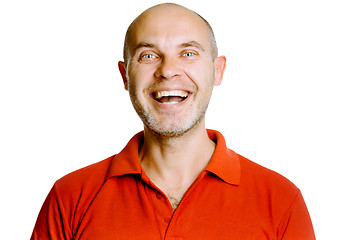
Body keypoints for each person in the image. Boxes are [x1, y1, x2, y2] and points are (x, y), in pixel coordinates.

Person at [31, 3, 315, 239]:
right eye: (148, 55)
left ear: (218, 71)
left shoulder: (280, 201)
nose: (167, 70)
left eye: (188, 53)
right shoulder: (69, 198)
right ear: (125, 76)